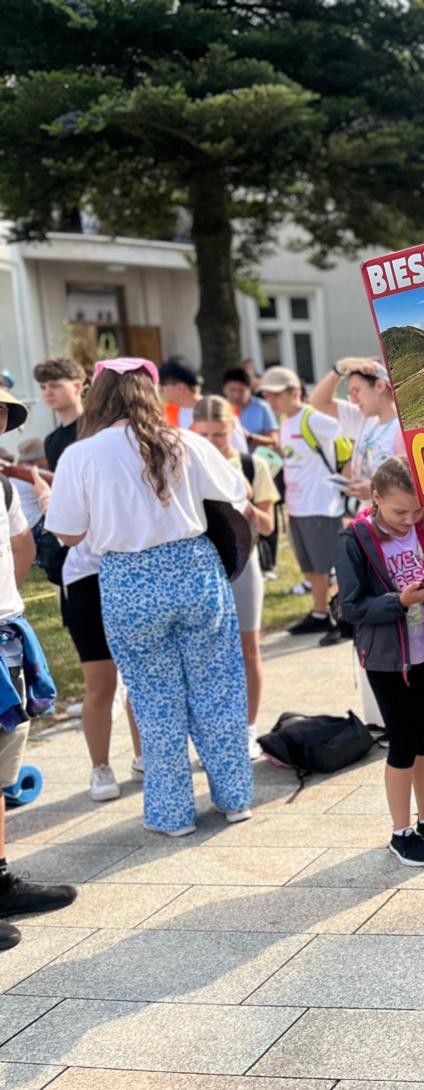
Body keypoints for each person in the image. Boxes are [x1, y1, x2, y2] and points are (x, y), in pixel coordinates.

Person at [46, 358, 254, 836]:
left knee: (154, 699)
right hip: (194, 569)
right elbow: (235, 492)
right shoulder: (185, 441)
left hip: (129, 579)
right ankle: (234, 798)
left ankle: (172, 814)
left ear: (98, 395)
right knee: (217, 685)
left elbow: (68, 534)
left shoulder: (81, 454)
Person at [336, 458, 424, 866]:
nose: (409, 520)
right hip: (385, 658)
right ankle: (400, 830)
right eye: (398, 512)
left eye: (417, 510)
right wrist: (400, 601)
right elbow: (350, 608)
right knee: (402, 742)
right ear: (375, 498)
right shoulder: (355, 539)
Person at [32, 357, 143, 801]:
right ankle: (101, 767)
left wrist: (51, 502)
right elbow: (68, 525)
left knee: (138, 678)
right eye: (43, 386)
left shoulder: (132, 440)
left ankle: (145, 756)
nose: (48, 392)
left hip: (128, 568)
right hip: (83, 573)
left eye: (55, 383)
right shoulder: (64, 444)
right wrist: (51, 501)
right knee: (99, 681)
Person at [0, 384, 74, 950]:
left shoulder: (3, 485)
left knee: (2, 772)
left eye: (2, 412)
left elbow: (20, 547)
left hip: (6, 635)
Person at [191, 397, 276, 750]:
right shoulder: (186, 463)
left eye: (219, 434)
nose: (212, 442)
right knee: (204, 654)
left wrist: (244, 500)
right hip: (199, 567)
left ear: (233, 429)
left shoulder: (252, 464)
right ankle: (214, 732)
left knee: (248, 648)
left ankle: (248, 728)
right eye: (205, 435)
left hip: (243, 562)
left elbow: (268, 526)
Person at [263, 366, 347, 637]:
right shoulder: (286, 421)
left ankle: (341, 616)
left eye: (276, 395)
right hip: (298, 506)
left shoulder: (313, 418)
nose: (271, 401)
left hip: (321, 505)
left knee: (327, 565)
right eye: (268, 395)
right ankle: (321, 613)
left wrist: (347, 475)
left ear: (294, 392)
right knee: (311, 568)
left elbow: (349, 434)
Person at [306, 358, 405, 506]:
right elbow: (317, 403)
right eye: (350, 393)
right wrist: (341, 366)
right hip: (370, 515)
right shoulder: (364, 419)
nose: (353, 399)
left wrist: (374, 488)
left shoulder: (402, 428)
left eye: (356, 391)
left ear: (379, 386)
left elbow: (412, 480)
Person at [222, 367, 279, 450]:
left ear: (249, 390)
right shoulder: (220, 408)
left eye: (241, 390)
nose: (236, 395)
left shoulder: (261, 407)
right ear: (224, 389)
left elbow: (274, 441)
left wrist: (250, 438)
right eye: (232, 390)